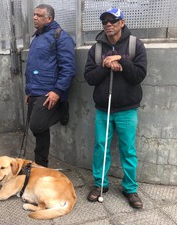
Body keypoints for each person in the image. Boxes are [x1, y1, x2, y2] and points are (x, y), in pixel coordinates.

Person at [84, 8, 147, 208]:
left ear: (122, 22)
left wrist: (121, 59)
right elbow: (89, 78)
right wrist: (105, 64)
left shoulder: (135, 45)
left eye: (113, 20)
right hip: (104, 109)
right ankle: (100, 184)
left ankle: (130, 188)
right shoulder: (95, 49)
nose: (108, 24)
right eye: (104, 21)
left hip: (127, 109)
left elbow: (139, 75)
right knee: (101, 148)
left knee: (127, 149)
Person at [24, 4, 76, 167]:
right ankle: (41, 166)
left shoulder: (60, 37)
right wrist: (29, 90)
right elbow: (33, 66)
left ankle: (61, 109)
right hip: (35, 91)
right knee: (38, 131)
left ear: (49, 18)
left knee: (37, 124)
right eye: (34, 15)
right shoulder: (36, 38)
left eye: (39, 15)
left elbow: (68, 68)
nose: (35, 18)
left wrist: (58, 91)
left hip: (49, 92)